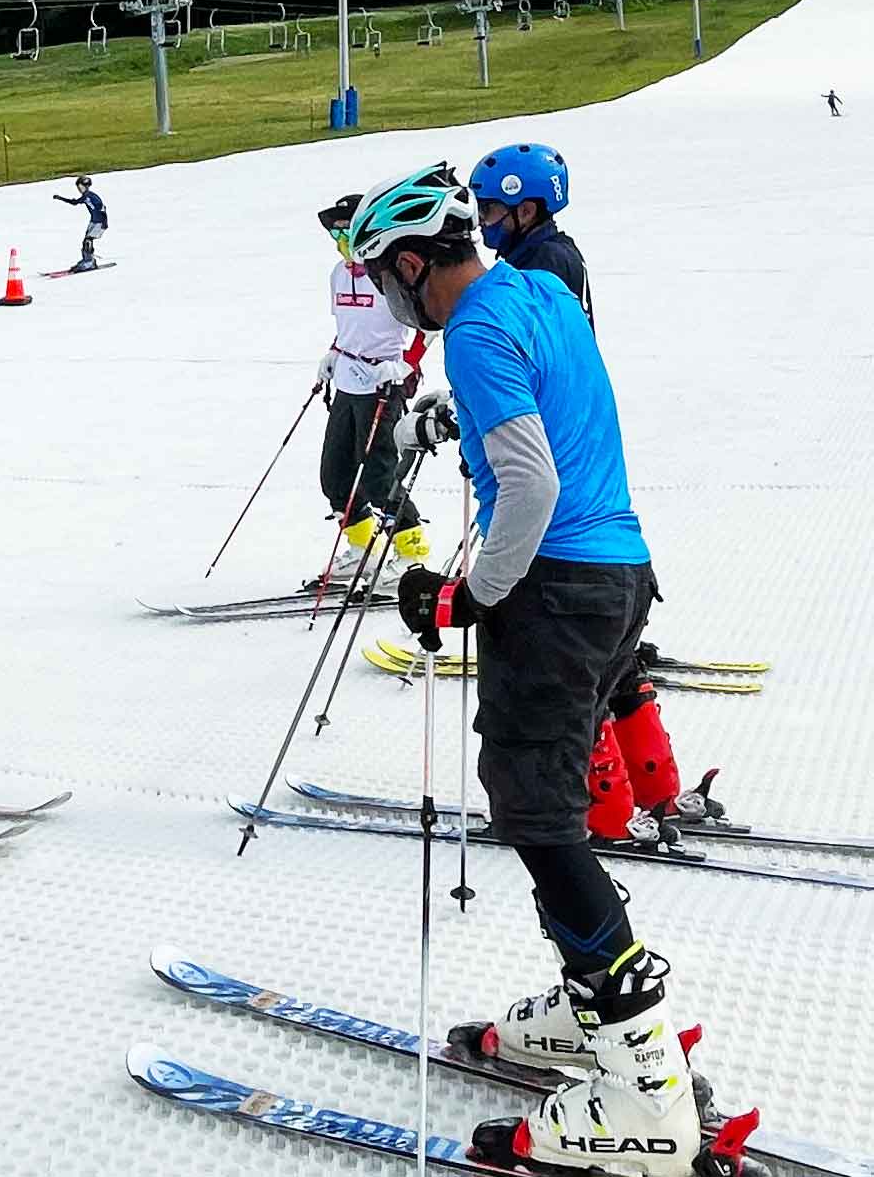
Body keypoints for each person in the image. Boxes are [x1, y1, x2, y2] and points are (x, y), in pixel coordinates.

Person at [351, 165, 699, 1174]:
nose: (385, 296)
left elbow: (531, 479)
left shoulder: (470, 330)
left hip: (556, 586)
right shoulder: (536, 286)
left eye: (385, 278)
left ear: (415, 263)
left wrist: (468, 594)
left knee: (538, 818)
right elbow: (554, 418)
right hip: (619, 572)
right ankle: (595, 1015)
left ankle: (640, 1089)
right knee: (543, 804)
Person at [470, 141, 693, 840]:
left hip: (557, 500)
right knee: (612, 669)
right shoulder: (553, 257)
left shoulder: (539, 269)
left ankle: (601, 812)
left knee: (569, 681)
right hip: (591, 497)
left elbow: (534, 365)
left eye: (491, 209)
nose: (482, 223)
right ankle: (653, 791)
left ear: (526, 208)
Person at [310, 194, 432, 586]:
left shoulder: (389, 276)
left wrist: (406, 364)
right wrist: (332, 353)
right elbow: (349, 325)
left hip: (383, 382)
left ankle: (412, 553)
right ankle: (364, 549)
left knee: (379, 476)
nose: (341, 240)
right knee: (335, 473)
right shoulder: (338, 274)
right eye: (335, 233)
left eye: (347, 231)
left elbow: (427, 326)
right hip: (347, 379)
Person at [467, 143, 593, 329]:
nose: (480, 221)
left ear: (526, 211)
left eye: (487, 209)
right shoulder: (550, 251)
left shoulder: (544, 262)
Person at [53, 175, 108, 273]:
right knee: (86, 242)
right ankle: (87, 260)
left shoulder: (92, 197)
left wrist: (104, 223)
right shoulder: (85, 197)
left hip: (99, 222)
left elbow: (103, 209)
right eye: (78, 187)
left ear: (86, 186)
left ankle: (89, 262)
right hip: (93, 221)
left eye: (80, 187)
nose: (79, 189)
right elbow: (74, 202)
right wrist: (60, 198)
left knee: (88, 240)